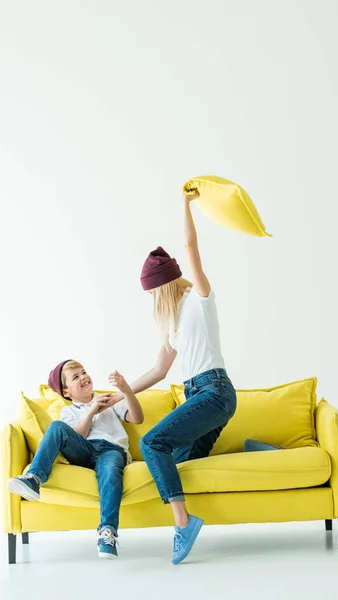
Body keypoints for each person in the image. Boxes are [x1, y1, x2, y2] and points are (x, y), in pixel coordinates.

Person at [110, 191, 237, 565]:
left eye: (153, 294)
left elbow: (189, 244)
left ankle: (183, 523)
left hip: (214, 392)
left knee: (151, 444)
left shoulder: (201, 298)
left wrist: (185, 205)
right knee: (179, 462)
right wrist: (121, 392)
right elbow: (159, 371)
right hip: (200, 395)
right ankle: (255, 449)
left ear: (163, 285)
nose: (153, 302)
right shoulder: (174, 326)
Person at [7, 359, 143, 559]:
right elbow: (78, 435)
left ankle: (108, 533)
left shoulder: (108, 400)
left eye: (84, 372)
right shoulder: (68, 412)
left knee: (111, 472)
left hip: (111, 450)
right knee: (56, 428)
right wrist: (91, 411)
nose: (84, 377)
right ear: (66, 392)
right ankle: (34, 478)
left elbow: (137, 418)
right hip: (84, 450)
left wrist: (125, 390)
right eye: (76, 377)